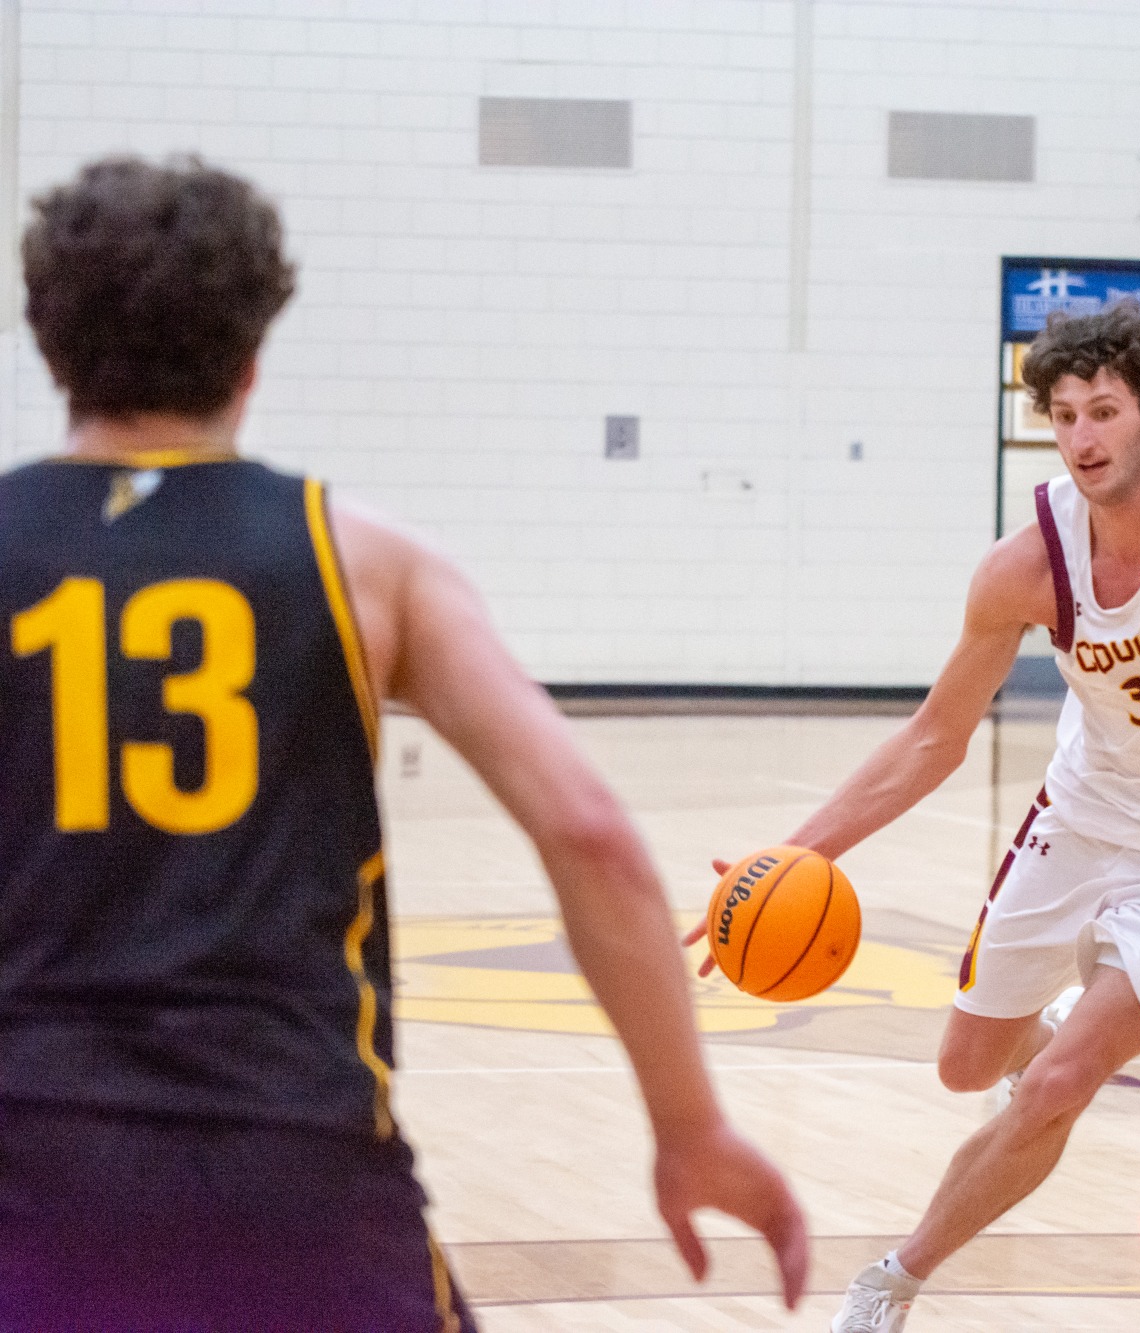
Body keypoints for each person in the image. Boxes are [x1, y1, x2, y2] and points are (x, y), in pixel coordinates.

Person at [0, 156, 808, 1330]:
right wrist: (690, 1124)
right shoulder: (364, 558)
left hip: (29, 1160)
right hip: (299, 1162)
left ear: (49, 344)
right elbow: (588, 830)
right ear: (251, 357)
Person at [684, 301, 1140, 1332]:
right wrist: (785, 858)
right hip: (1084, 814)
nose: (1081, 437)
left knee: (1055, 1081)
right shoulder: (1023, 567)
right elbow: (933, 738)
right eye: (1061, 415)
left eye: (1102, 410)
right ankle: (1061, 1037)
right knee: (964, 1065)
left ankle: (892, 1278)